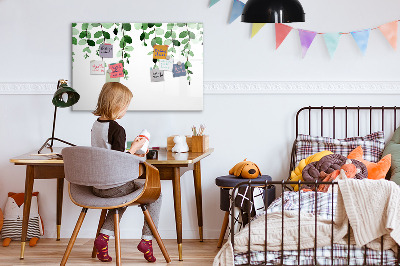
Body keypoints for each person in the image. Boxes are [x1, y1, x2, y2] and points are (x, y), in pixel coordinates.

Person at [91, 82, 161, 263]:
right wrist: (136, 148)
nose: (126, 110)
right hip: (114, 186)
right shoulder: (117, 129)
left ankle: (103, 238)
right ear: (117, 105)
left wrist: (131, 149)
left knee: (121, 197)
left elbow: (108, 154)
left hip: (97, 186)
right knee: (156, 194)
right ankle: (147, 240)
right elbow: (119, 161)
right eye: (126, 106)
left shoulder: (96, 125)